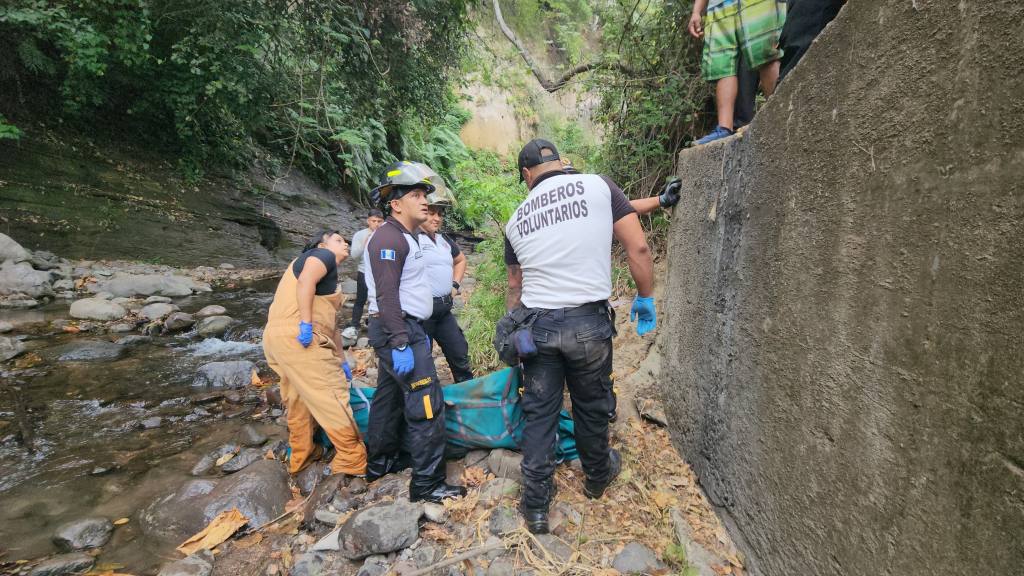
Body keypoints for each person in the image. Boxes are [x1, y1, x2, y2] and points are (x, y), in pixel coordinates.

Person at [504, 139, 656, 533]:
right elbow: (637, 246)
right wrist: (645, 297)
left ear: (526, 175)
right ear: (560, 162)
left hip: (537, 326)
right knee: (591, 404)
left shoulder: (517, 217)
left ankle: (535, 506)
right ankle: (596, 477)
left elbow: (514, 288)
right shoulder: (597, 185)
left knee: (539, 413)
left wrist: (515, 328)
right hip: (588, 324)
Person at [363, 161, 467, 503]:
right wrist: (401, 341)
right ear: (396, 203)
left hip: (402, 327)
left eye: (425, 194)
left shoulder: (407, 235)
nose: (426, 201)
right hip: (399, 329)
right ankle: (426, 484)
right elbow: (386, 294)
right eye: (417, 195)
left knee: (388, 398)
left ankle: (381, 463)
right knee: (426, 404)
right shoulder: (388, 239)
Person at [262, 230, 367, 478]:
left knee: (298, 398)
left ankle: (303, 455)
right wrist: (306, 325)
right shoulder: (321, 255)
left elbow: (333, 328)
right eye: (339, 240)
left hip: (278, 338)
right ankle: (353, 458)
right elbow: (306, 281)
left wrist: (342, 361)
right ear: (323, 243)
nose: (345, 244)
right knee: (330, 395)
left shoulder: (326, 274)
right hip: (299, 337)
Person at [689, 0, 788, 145]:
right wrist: (696, 11)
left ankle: (779, 117)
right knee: (722, 64)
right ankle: (724, 128)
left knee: (765, 51)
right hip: (719, 5)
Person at [419, 188, 474, 383]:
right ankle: (429, 403)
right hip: (422, 315)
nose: (436, 218)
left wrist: (455, 285)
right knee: (422, 364)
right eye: (431, 213)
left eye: (439, 215)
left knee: (459, 353)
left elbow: (460, 260)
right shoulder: (411, 239)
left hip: (444, 312)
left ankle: (467, 397)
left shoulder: (444, 240)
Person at [344, 209, 385, 339]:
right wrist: (364, 243)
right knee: (361, 300)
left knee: (382, 300)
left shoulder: (387, 234)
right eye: (374, 221)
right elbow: (354, 255)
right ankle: (354, 325)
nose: (377, 224)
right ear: (368, 221)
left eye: (379, 221)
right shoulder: (360, 235)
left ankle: (378, 324)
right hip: (364, 272)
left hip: (382, 273)